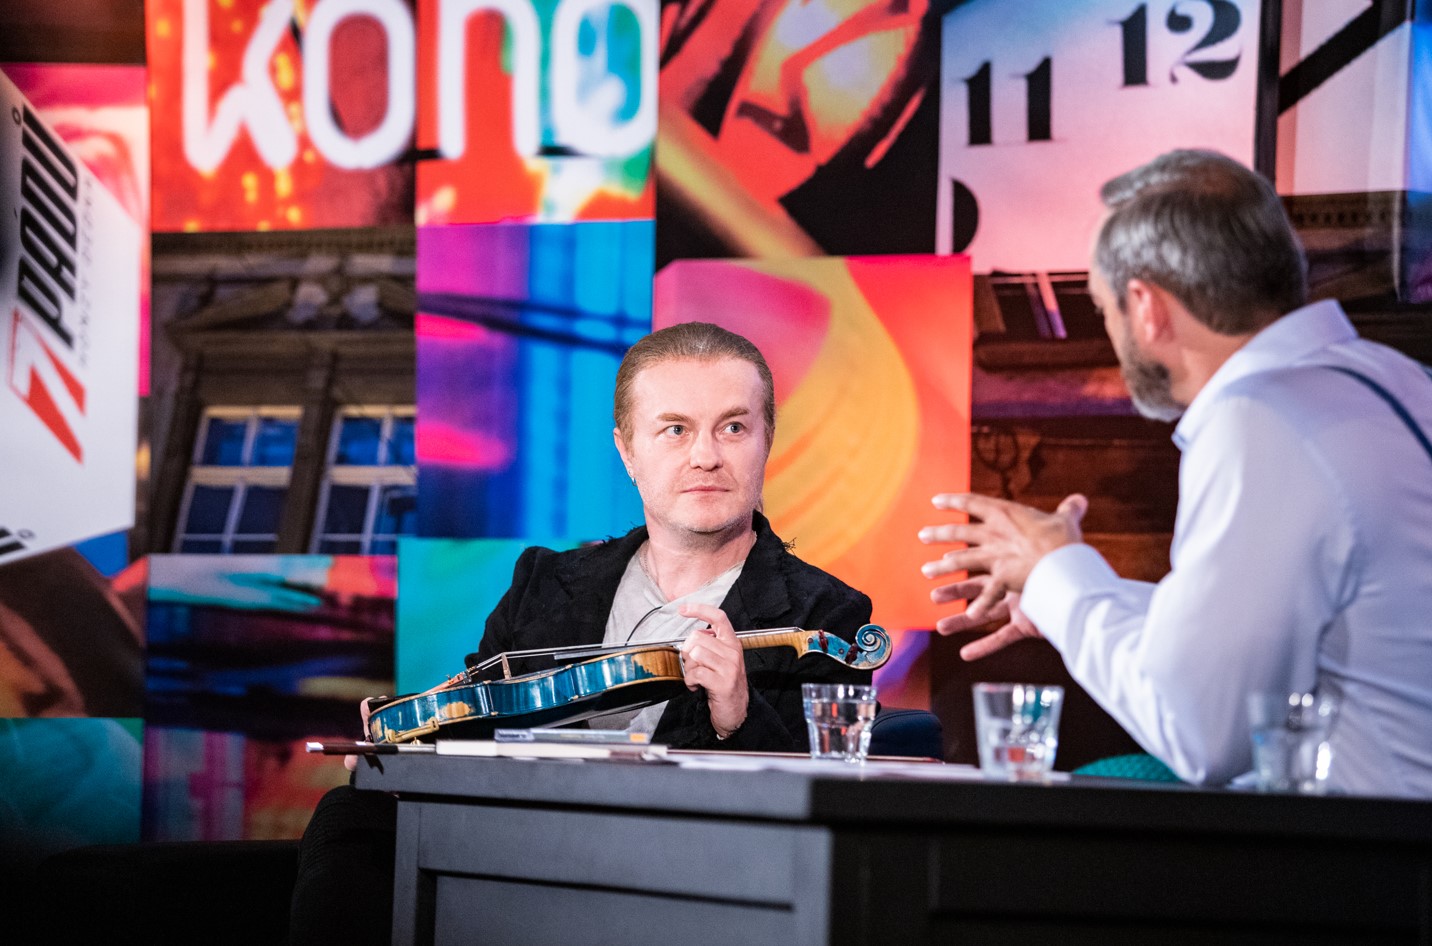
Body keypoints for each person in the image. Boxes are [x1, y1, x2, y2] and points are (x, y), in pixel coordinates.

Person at [291, 322, 872, 944]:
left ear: (766, 441)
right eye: (675, 429)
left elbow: (828, 822)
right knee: (352, 813)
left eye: (733, 428)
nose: (706, 456)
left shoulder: (825, 614)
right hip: (522, 855)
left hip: (687, 877)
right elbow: (478, 721)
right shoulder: (545, 580)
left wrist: (738, 716)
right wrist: (408, 736)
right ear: (627, 451)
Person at [919, 150, 1432, 798]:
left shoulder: (1259, 419)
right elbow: (1276, 635)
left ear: (1146, 307)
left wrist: (1059, 576)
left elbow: (1199, 733)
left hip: (1366, 848)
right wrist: (1072, 596)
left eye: (1103, 309)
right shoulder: (1396, 380)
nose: (1112, 334)